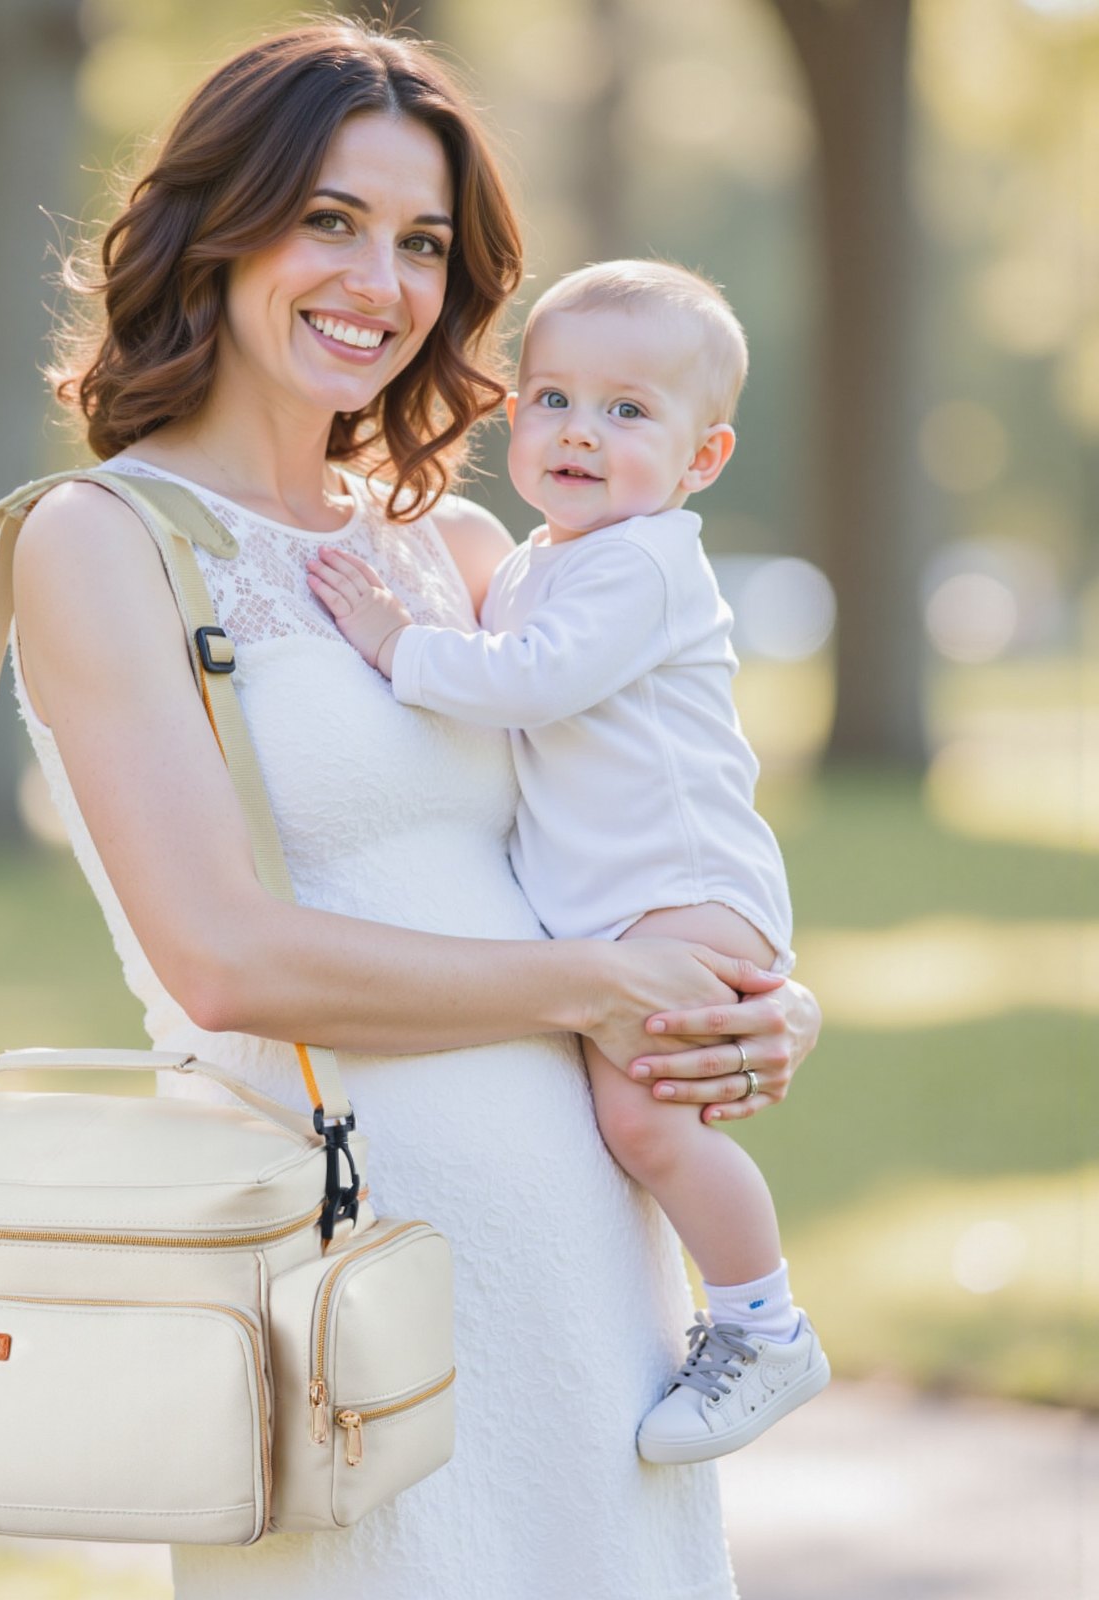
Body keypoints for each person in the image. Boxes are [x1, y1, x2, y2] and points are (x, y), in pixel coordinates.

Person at [9, 22, 823, 1598]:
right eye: (329, 219)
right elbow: (227, 962)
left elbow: (625, 843)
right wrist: (602, 988)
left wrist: (752, 1004)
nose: (379, 280)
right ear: (217, 223)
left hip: (590, 1261)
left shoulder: (460, 550)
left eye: (423, 241)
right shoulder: (100, 540)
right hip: (345, 1277)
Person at [306, 259, 832, 1468]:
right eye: (553, 399)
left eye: (628, 411)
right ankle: (752, 1317)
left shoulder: (644, 563)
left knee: (649, 1131)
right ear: (512, 411)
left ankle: (764, 1322)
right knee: (637, 1125)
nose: (580, 433)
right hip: (636, 906)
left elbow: (527, 682)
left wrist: (394, 639)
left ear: (702, 460)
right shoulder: (550, 558)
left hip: (683, 900)